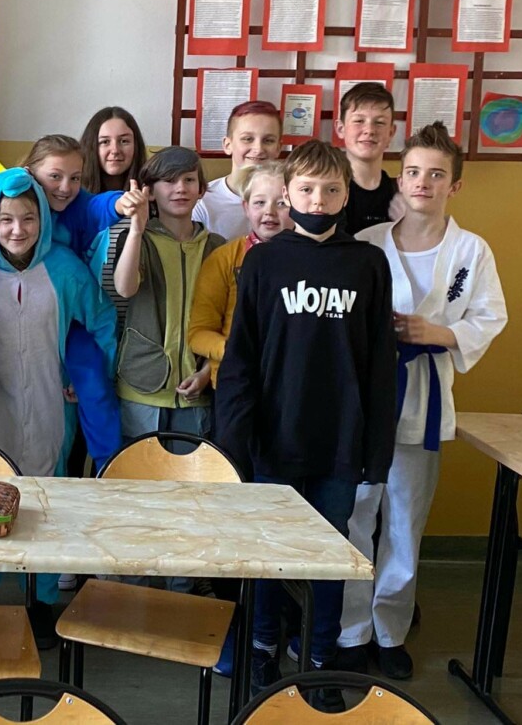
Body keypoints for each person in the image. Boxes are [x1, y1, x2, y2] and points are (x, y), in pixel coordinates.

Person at [213, 140, 396, 712]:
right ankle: (263, 644)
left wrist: (377, 453)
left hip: (339, 443)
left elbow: (380, 363)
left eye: (332, 189)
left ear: (347, 195)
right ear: (288, 194)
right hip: (274, 439)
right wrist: (232, 444)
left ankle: (319, 660)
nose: (319, 199)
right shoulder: (264, 262)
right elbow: (241, 359)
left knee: (330, 555)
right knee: (269, 552)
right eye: (308, 189)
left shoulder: (368, 264)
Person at [339, 123, 507, 679]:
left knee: (405, 521)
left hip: (425, 395)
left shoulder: (470, 250)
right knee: (355, 515)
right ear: (400, 178)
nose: (422, 183)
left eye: (436, 174)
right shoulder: (367, 244)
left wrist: (439, 333)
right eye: (413, 172)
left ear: (454, 186)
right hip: (366, 398)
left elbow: (490, 316)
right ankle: (349, 632)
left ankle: (389, 632)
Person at [0, 166, 117, 647]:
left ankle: (40, 598)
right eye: (5, 220)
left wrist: (89, 375)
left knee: (45, 494)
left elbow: (102, 321)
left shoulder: (64, 269)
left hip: (48, 399)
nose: (17, 230)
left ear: (43, 218)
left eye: (28, 218)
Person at [110, 147, 224, 441]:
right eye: (169, 181)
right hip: (142, 387)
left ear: (201, 189)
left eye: (189, 180)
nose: (180, 188)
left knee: (192, 470)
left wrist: (207, 372)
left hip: (196, 389)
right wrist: (136, 230)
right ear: (149, 191)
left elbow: (227, 318)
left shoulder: (217, 247)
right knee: (140, 468)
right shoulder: (136, 239)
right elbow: (125, 287)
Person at [188, 161, 291, 389]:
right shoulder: (224, 258)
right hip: (235, 381)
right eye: (259, 202)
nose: (269, 211)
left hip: (290, 381)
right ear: (246, 207)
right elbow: (198, 333)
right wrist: (234, 350)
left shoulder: (311, 259)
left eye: (282, 203)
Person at [194, 101, 283, 241]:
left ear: (278, 148)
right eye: (248, 139)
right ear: (228, 145)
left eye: (268, 140)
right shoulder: (202, 202)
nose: (258, 149)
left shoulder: (293, 199)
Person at [335, 82, 401, 235]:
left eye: (379, 122)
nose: (369, 130)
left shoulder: (402, 196)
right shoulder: (324, 190)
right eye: (359, 121)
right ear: (340, 128)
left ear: (391, 132)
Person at [78, 106, 148, 194]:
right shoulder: (73, 190)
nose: (115, 150)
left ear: (136, 145)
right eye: (105, 142)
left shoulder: (152, 190)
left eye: (124, 141)